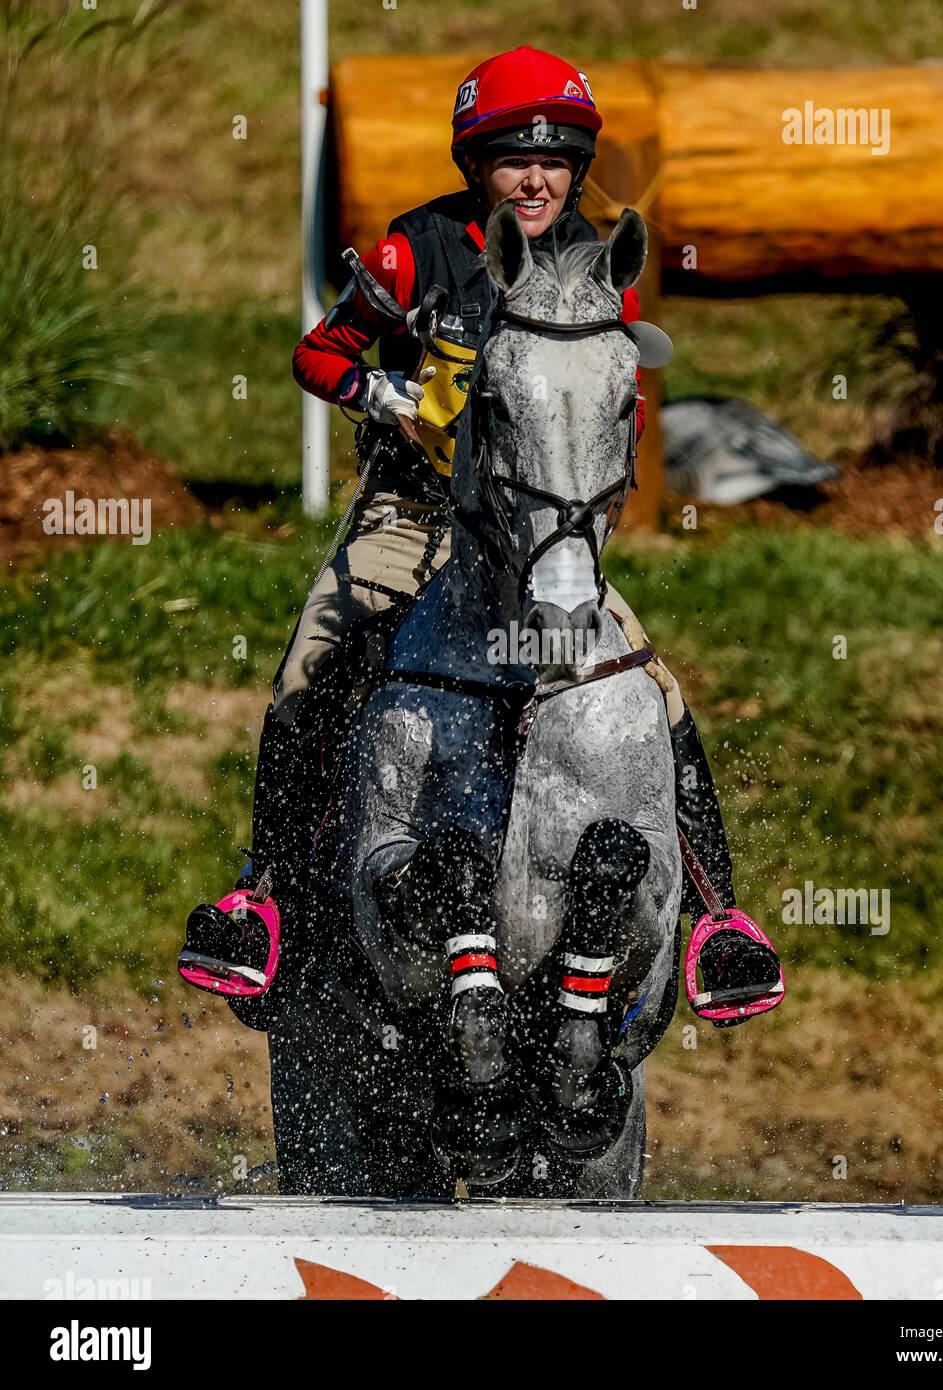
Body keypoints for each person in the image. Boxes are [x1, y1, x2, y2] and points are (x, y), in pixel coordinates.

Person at [179, 46, 779, 1018]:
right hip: (408, 511)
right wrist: (385, 390)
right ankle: (263, 897)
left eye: (555, 158)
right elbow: (318, 352)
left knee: (658, 691)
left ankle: (719, 920)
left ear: (578, 165)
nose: (535, 179)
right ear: (475, 167)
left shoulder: (594, 268)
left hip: (544, 531)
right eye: (511, 158)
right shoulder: (413, 252)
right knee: (309, 665)